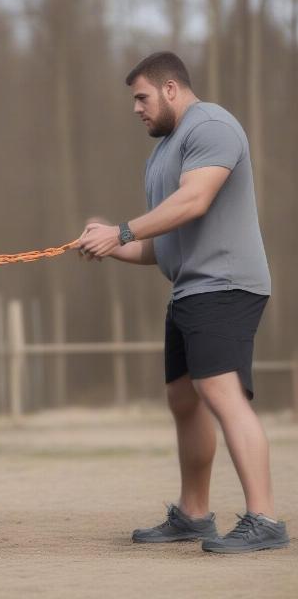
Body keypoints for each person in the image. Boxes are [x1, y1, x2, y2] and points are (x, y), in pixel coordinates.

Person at [76, 51, 289, 553]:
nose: (136, 108)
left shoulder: (212, 127)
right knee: (183, 400)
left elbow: (194, 201)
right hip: (190, 288)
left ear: (172, 89)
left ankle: (265, 519)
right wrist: (107, 244)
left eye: (142, 96)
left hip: (226, 284)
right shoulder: (163, 153)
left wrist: (120, 229)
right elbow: (161, 245)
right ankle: (194, 515)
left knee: (220, 392)